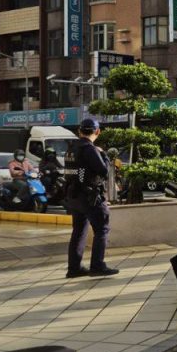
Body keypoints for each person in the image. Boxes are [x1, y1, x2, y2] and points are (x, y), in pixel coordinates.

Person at [65, 119, 119, 278]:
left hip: (74, 195)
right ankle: (97, 266)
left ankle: (74, 268)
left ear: (79, 131)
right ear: (97, 132)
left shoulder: (71, 148)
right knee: (102, 229)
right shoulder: (90, 149)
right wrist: (103, 154)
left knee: (79, 230)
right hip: (90, 196)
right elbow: (104, 171)